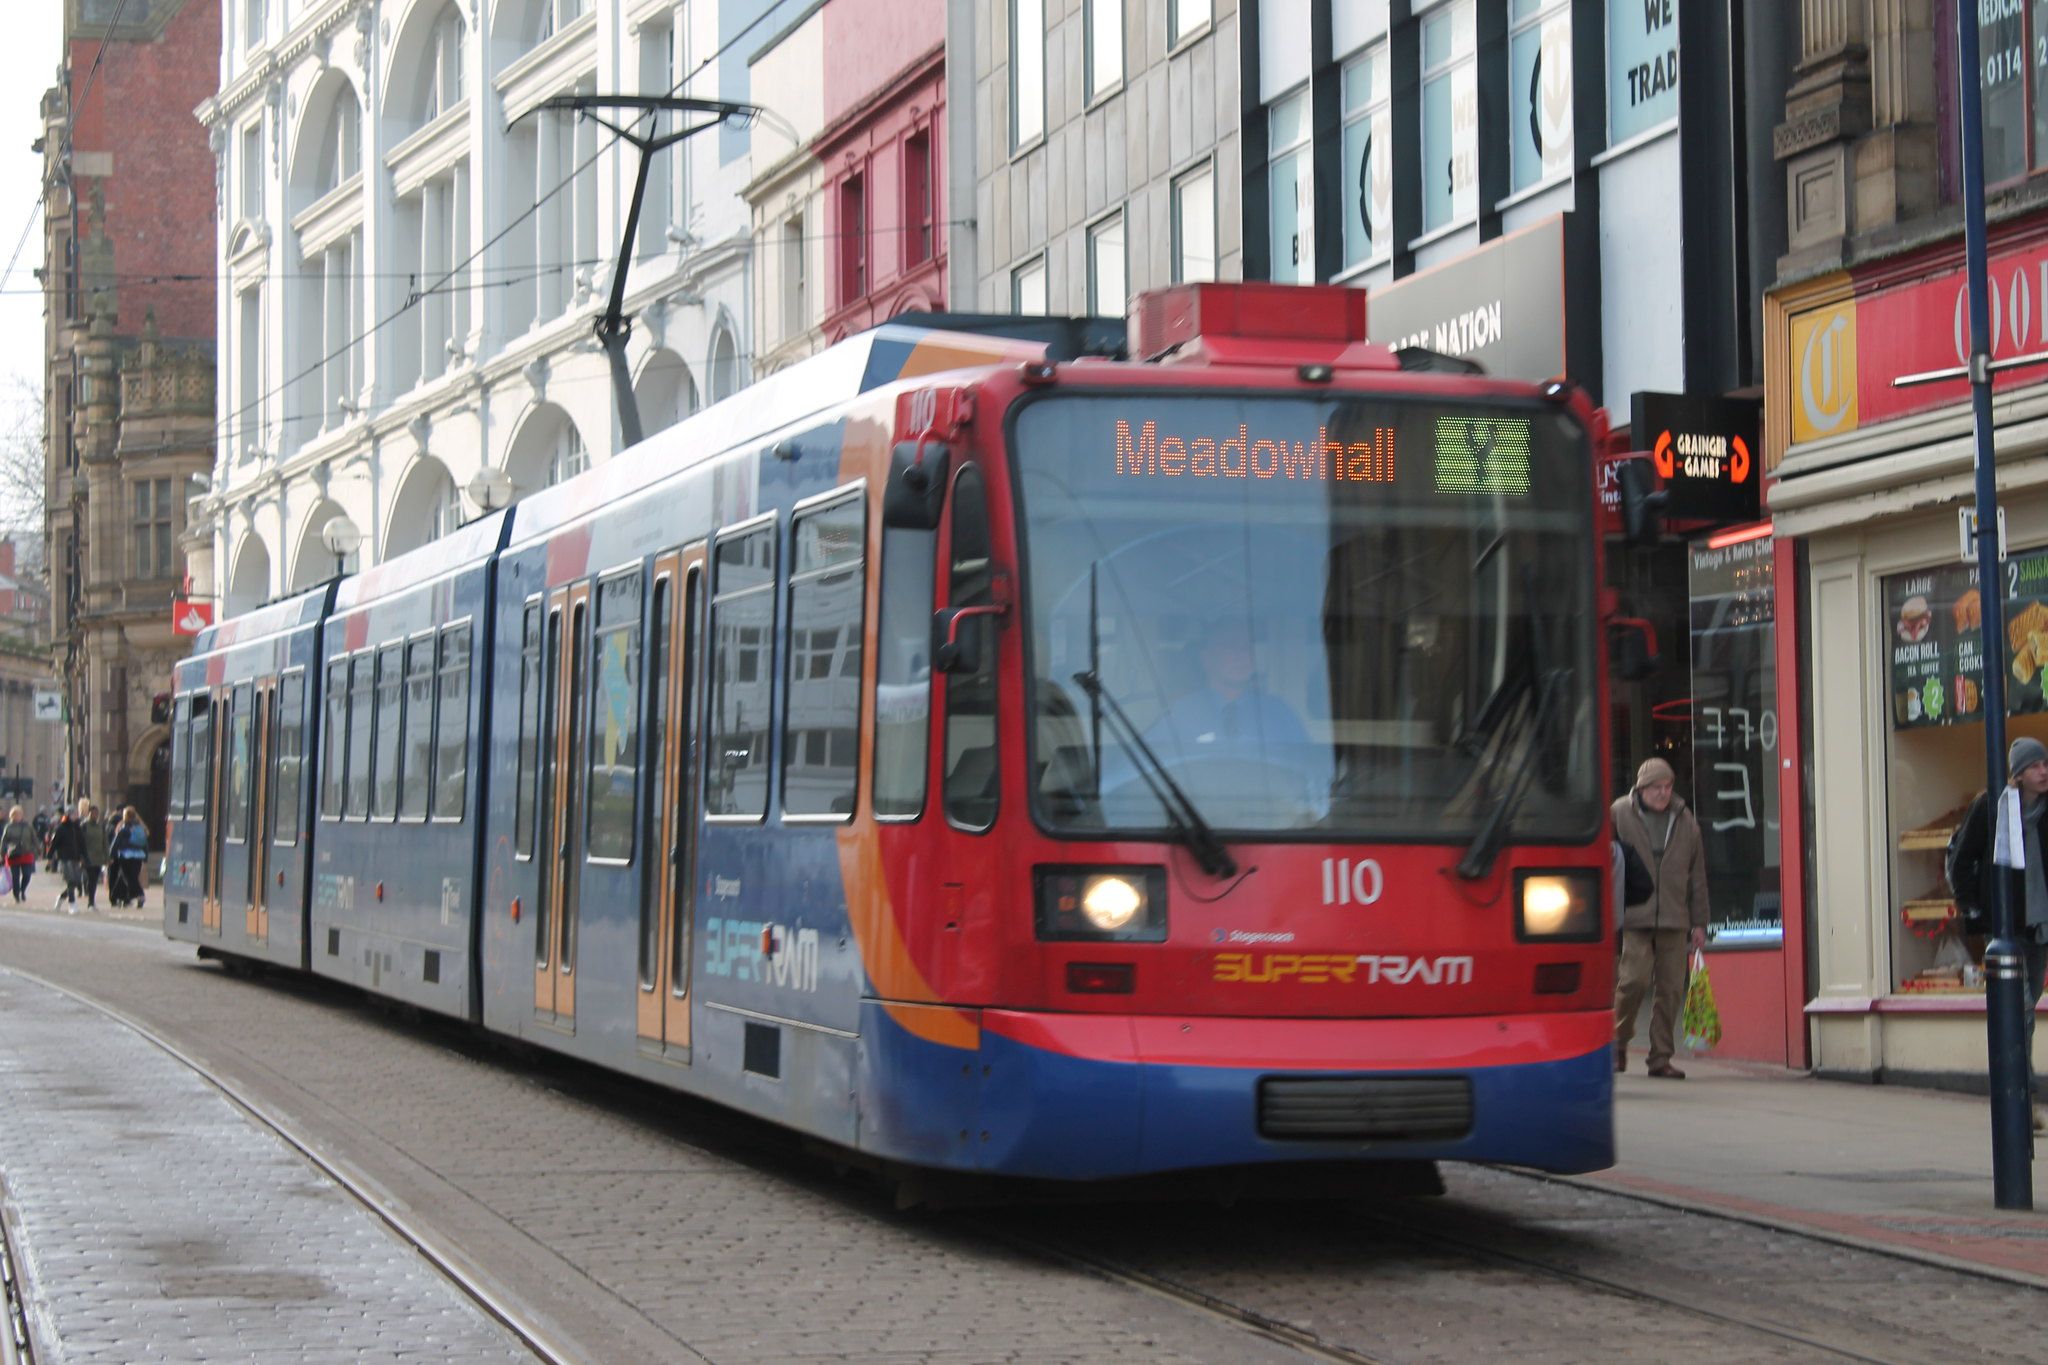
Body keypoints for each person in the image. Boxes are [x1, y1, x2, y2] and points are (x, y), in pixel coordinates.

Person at [1943, 735, 2048, 1134]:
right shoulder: (1993, 807)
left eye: (2046, 764)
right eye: (2036, 765)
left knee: (2027, 1013)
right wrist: (1975, 908)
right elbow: (1962, 857)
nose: (2044, 771)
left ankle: (2018, 1097)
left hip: (2040, 929)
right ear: (2018, 773)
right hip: (2008, 928)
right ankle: (2022, 1099)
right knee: (2019, 1013)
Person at [1610, 757, 1710, 1079]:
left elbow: (1697, 875)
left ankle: (1660, 1057)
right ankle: (1617, 1043)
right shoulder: (1619, 813)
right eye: (1657, 787)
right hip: (1634, 914)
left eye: (1668, 787)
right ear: (1642, 787)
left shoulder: (1685, 819)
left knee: (1670, 991)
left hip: (1674, 916)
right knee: (1632, 982)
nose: (1664, 793)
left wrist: (1699, 922)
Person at [46, 805, 84, 912]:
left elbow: (82, 844)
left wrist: (85, 857)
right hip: (64, 858)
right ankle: (72, 904)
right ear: (68, 815)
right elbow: (54, 844)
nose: (76, 816)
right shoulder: (61, 828)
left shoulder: (78, 828)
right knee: (70, 881)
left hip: (76, 858)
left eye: (76, 814)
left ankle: (62, 897)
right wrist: (49, 859)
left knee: (76, 882)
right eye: (73, 814)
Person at [110, 807, 148, 908]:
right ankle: (120, 896)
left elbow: (116, 843)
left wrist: (111, 856)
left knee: (129, 878)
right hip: (139, 856)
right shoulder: (139, 828)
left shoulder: (124, 829)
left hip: (126, 856)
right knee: (130, 877)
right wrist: (145, 856)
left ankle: (140, 895)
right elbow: (144, 844)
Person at [1, 805, 35, 904]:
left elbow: (34, 838)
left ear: (22, 815)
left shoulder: (27, 826)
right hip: (13, 854)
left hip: (26, 853)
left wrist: (37, 849)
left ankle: (22, 890)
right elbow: (4, 841)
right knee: (15, 877)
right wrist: (2, 854)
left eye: (19, 814)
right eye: (15, 815)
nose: (17, 816)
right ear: (12, 816)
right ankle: (16, 895)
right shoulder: (8, 827)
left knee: (27, 874)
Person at [79, 801, 107, 910]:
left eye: (97, 814)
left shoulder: (101, 826)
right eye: (93, 813)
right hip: (87, 857)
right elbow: (80, 842)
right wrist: (81, 857)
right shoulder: (84, 826)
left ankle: (92, 900)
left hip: (98, 857)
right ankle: (90, 902)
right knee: (90, 879)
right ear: (89, 814)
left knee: (94, 880)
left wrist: (107, 857)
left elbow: (105, 842)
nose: (95, 816)